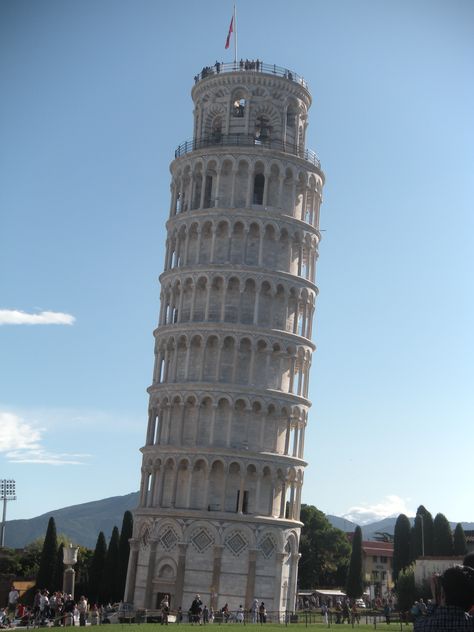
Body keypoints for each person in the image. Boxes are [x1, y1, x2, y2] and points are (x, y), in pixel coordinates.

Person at [414, 565, 474, 631]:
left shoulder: (421, 626)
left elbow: (424, 620)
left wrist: (435, 599)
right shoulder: (470, 624)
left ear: (442, 594)